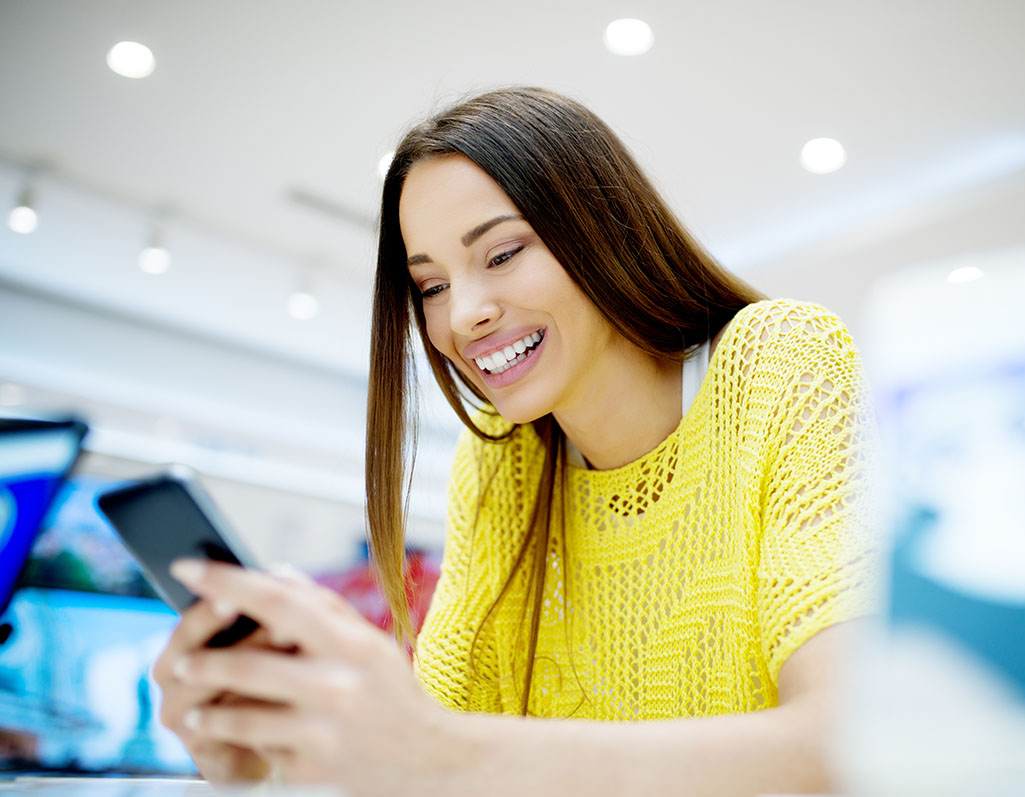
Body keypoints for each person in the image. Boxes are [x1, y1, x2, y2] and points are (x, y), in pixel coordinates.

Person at [152, 86, 875, 796]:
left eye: (500, 254)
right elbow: (429, 750)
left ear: (603, 228)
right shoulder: (502, 458)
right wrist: (270, 762)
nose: (463, 315)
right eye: (430, 287)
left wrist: (438, 753)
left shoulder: (779, 361)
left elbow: (849, 744)